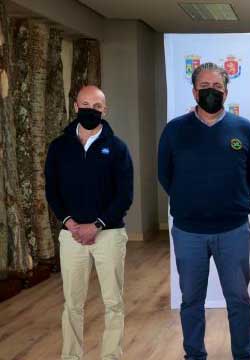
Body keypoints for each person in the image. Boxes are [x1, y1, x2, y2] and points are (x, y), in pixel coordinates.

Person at [158, 63, 250, 360]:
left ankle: (243, 355)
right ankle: (194, 354)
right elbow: (165, 174)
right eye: (204, 86)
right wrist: (190, 200)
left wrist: (236, 199)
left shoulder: (243, 128)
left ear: (226, 91)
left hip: (232, 230)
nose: (211, 92)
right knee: (191, 300)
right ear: (194, 91)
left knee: (239, 300)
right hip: (188, 231)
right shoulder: (175, 130)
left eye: (217, 87)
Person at [45, 85, 133, 360]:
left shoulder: (117, 148)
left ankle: (111, 356)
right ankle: (71, 356)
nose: (90, 110)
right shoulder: (59, 147)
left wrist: (96, 225)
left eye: (97, 106)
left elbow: (125, 195)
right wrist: (69, 222)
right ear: (75, 106)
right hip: (70, 235)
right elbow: (52, 189)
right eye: (85, 104)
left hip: (109, 234)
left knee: (113, 302)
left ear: (104, 110)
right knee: (72, 303)